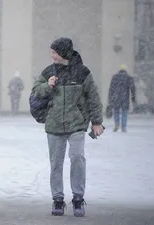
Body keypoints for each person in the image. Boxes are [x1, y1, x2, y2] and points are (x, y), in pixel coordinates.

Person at [32, 37, 104, 217]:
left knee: (77, 157)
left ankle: (78, 199)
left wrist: (96, 122)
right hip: (54, 124)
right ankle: (58, 200)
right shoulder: (49, 71)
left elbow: (93, 98)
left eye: (54, 52)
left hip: (77, 124)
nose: (52, 56)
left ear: (63, 53)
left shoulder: (82, 72)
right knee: (56, 164)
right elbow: (36, 90)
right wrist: (47, 86)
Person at [108, 64, 136, 132]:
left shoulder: (115, 77)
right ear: (125, 70)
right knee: (124, 112)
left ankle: (117, 124)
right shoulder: (128, 77)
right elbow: (132, 88)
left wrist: (110, 98)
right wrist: (133, 98)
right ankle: (123, 126)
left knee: (116, 111)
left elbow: (111, 88)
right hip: (125, 97)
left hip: (116, 97)